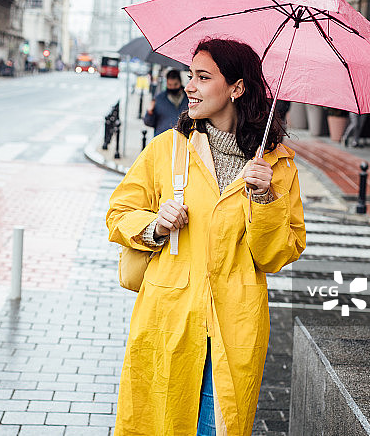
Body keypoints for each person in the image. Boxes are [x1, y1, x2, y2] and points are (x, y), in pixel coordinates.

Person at [107, 38, 306, 435]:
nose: (190, 86)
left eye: (203, 77)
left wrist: (265, 198)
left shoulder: (276, 167)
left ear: (237, 87)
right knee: (158, 421)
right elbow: (119, 214)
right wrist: (155, 225)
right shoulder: (168, 150)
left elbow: (275, 254)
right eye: (190, 76)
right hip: (169, 318)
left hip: (234, 326)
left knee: (217, 426)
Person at [143, 69, 189, 136]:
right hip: (162, 140)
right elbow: (148, 122)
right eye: (170, 85)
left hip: (183, 139)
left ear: (180, 82)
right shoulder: (159, 99)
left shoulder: (189, 98)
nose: (173, 87)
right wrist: (150, 112)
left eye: (175, 84)